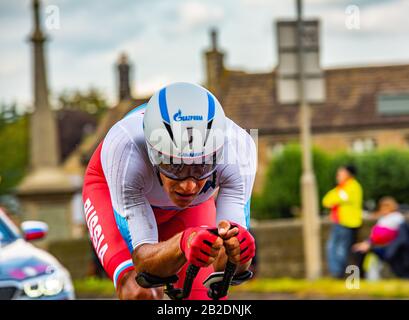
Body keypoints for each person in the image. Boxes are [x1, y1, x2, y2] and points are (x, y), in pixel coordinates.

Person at [82, 82, 257, 300]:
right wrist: (182, 243)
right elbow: (145, 265)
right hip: (110, 189)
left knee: (206, 299)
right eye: (174, 166)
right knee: (139, 291)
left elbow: (224, 269)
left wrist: (239, 255)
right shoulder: (125, 148)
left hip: (189, 208)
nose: (189, 185)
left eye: (203, 166)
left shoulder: (238, 148)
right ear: (153, 154)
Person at [322, 165, 363, 278]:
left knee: (342, 250)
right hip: (339, 222)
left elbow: (336, 198)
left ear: (348, 174)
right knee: (332, 248)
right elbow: (326, 200)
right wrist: (337, 198)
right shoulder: (341, 188)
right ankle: (338, 273)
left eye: (340, 173)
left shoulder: (353, 187)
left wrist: (337, 198)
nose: (338, 176)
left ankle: (339, 274)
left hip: (348, 223)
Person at [352, 196, 405, 278]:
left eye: (386, 207)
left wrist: (368, 244)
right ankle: (359, 277)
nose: (383, 209)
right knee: (358, 250)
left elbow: (383, 235)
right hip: (378, 246)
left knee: (362, 252)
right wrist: (366, 243)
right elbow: (375, 235)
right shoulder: (384, 218)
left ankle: (361, 277)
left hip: (389, 248)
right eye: (382, 207)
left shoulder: (397, 218)